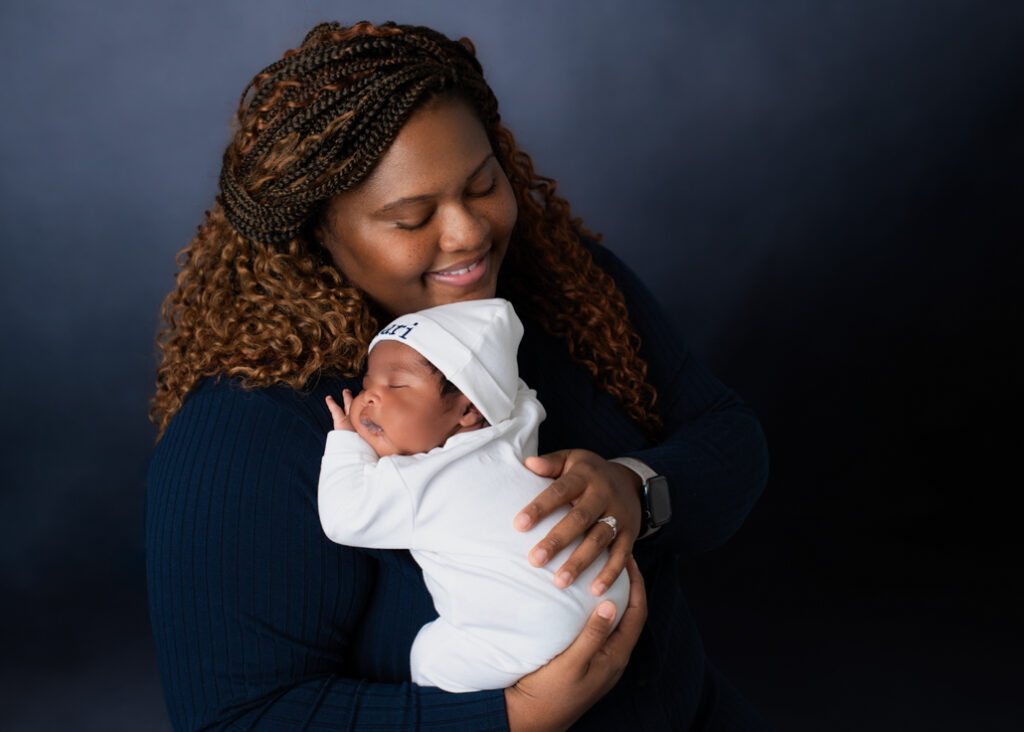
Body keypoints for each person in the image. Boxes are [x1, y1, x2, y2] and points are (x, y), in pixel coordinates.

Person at [146, 20, 771, 731]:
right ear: (317, 231)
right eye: (412, 218)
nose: (469, 233)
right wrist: (508, 719)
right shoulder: (250, 426)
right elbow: (236, 717)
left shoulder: (564, 285)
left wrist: (637, 490)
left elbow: (729, 435)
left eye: (481, 185)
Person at [318, 298, 631, 693]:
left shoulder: (417, 481)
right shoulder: (517, 423)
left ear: (468, 410)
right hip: (609, 588)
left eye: (396, 385)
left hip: (531, 630)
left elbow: (342, 517)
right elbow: (514, 392)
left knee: (428, 657)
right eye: (367, 385)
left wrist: (349, 443)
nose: (369, 398)